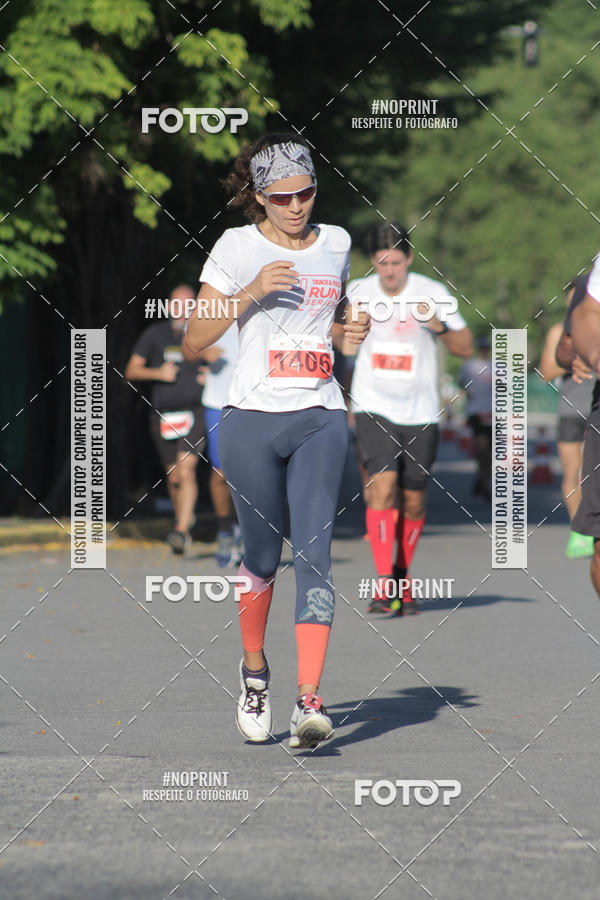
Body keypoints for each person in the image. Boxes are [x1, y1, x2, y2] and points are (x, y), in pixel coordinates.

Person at [183, 134, 370, 748]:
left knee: (315, 556)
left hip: (318, 414)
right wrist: (250, 292)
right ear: (258, 197)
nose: (296, 206)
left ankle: (310, 702)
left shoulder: (337, 243)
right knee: (262, 558)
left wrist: (348, 335)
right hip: (250, 419)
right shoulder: (237, 248)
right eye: (282, 196)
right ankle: (256, 673)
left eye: (306, 192)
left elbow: (333, 315)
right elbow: (194, 340)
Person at [347, 223, 472, 616]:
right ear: (372, 261)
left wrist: (436, 324)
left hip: (420, 411)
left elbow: (466, 346)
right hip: (372, 403)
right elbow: (335, 337)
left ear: (409, 259)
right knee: (381, 488)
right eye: (382, 263)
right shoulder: (357, 292)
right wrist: (348, 332)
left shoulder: (431, 292)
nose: (389, 272)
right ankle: (386, 585)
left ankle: (402, 577)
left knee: (414, 500)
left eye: (396, 263)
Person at [125, 286, 206, 554]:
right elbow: (131, 371)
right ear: (169, 305)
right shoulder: (154, 335)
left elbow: (227, 362)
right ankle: (183, 518)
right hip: (163, 416)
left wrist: (211, 375)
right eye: (177, 303)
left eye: (189, 304)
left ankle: (181, 531)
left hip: (196, 411)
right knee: (173, 478)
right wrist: (158, 372)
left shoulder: (205, 333)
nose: (183, 309)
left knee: (186, 468)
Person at [539, 276, 595, 558]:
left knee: (592, 474)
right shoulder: (558, 331)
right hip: (570, 410)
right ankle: (578, 530)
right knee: (571, 472)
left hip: (595, 409)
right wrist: (573, 361)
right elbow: (547, 371)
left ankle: (592, 522)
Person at [201, 326, 244, 567]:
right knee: (220, 473)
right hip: (217, 402)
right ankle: (226, 531)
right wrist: (201, 352)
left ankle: (249, 533)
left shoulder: (268, 294)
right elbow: (188, 345)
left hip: (256, 400)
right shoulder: (212, 300)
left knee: (253, 473)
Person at [459, 334, 493, 501]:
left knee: (491, 450)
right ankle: (483, 478)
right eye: (482, 348)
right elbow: (461, 382)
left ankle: (483, 478)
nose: (484, 351)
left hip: (493, 412)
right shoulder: (469, 366)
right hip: (476, 411)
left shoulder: (496, 366)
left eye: (486, 348)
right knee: (481, 447)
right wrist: (468, 392)